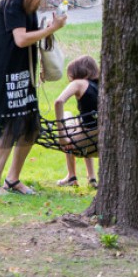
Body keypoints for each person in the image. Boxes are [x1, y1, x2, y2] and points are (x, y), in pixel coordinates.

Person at [0, 0, 66, 195]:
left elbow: (28, 37)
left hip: (23, 70)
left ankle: (12, 179)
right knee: (10, 125)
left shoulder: (29, 3)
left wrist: (47, 29)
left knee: (31, 125)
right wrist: (51, 29)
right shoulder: (14, 1)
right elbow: (20, 39)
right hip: (6, 71)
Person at [53, 55, 99, 189]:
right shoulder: (103, 84)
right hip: (101, 140)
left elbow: (58, 102)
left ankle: (71, 176)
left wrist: (62, 136)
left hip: (82, 143)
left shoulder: (79, 83)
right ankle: (92, 178)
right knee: (83, 122)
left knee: (67, 115)